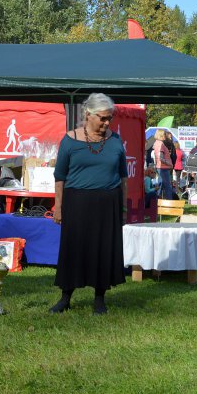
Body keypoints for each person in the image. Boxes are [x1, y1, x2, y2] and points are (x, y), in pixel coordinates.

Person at [50, 93, 127, 315]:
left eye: (109, 118)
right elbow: (60, 177)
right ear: (88, 114)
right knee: (73, 248)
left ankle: (99, 299)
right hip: (77, 203)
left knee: (103, 249)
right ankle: (65, 298)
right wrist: (58, 207)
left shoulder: (115, 141)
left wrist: (122, 208)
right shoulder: (69, 140)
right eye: (103, 118)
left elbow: (123, 177)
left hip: (108, 203)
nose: (107, 122)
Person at [152, 129, 174, 200]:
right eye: (164, 134)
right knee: (167, 185)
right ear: (161, 135)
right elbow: (160, 158)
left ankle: (156, 200)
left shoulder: (156, 143)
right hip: (163, 167)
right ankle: (169, 201)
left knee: (161, 185)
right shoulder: (160, 144)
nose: (165, 136)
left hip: (160, 167)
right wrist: (169, 163)